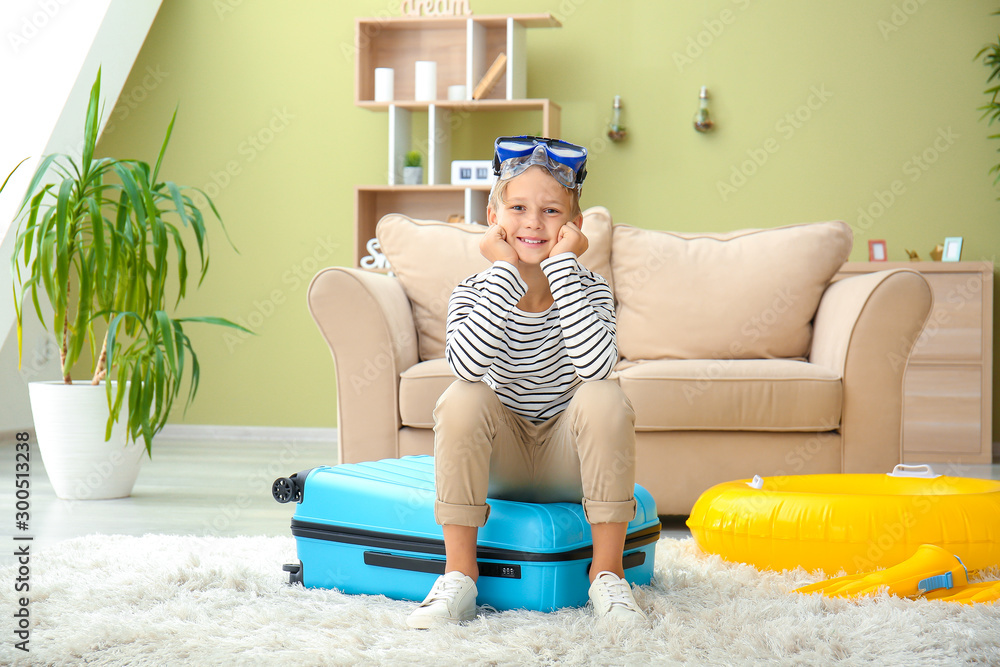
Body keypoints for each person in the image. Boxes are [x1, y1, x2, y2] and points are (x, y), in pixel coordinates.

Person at [406, 136, 644, 629]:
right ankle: (459, 575)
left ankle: (608, 575)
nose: (533, 222)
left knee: (605, 394)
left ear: (574, 228)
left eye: (551, 210)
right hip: (503, 462)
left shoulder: (591, 290)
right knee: (462, 397)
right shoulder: (474, 290)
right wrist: (505, 271)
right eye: (518, 207)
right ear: (495, 218)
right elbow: (468, 368)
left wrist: (561, 270)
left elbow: (596, 367)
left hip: (568, 461)